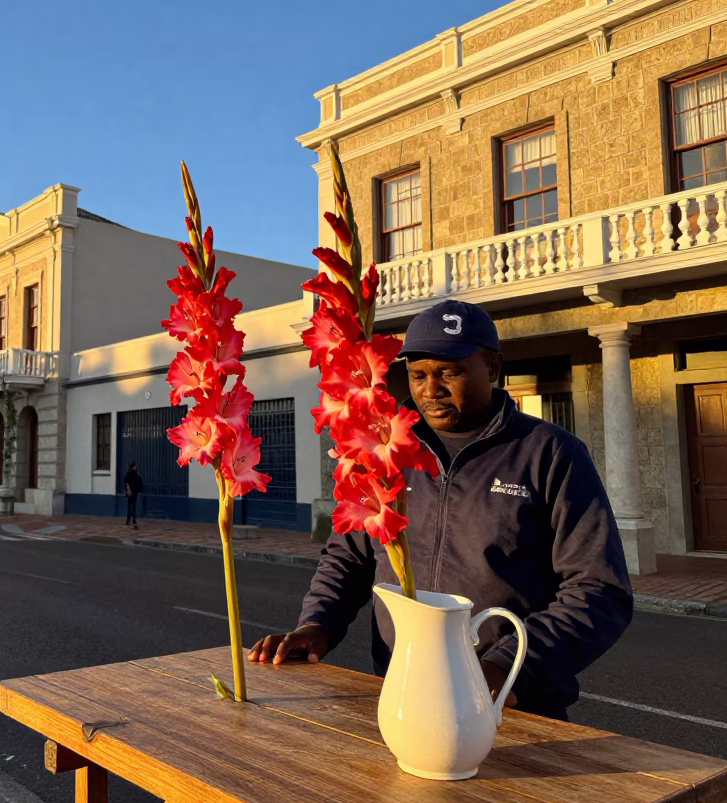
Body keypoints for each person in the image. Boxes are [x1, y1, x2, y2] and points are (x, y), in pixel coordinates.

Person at [248, 299, 634, 721]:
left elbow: (600, 590)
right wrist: (316, 625)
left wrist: (505, 667)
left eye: (449, 373)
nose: (431, 390)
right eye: (418, 375)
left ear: (492, 368)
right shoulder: (385, 447)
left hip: (512, 706)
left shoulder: (550, 454)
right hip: (402, 695)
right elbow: (349, 558)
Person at [123, 462, 143, 530]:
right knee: (133, 506)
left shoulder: (128, 474)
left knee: (129, 506)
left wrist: (126, 490)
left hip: (130, 493)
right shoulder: (137, 474)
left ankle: (128, 520)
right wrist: (138, 490)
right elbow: (140, 483)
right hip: (134, 493)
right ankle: (133, 520)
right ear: (133, 467)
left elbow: (125, 483)